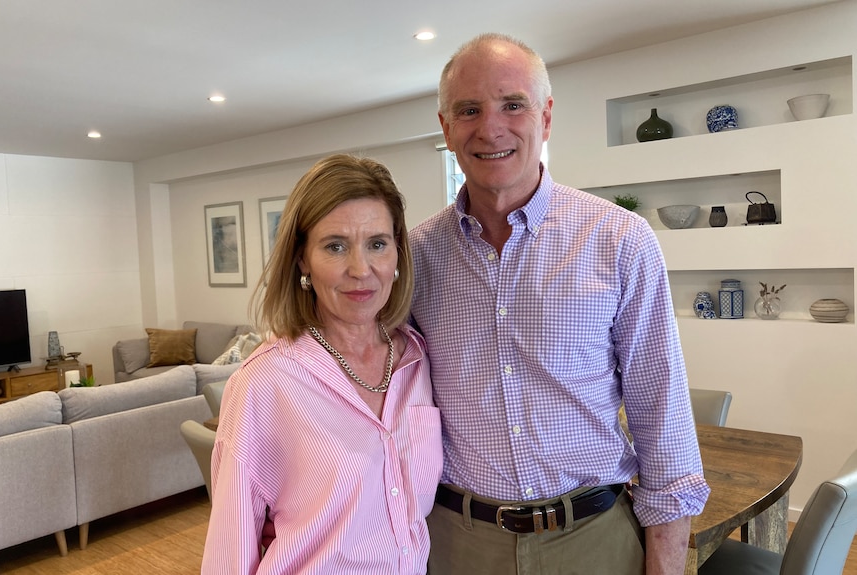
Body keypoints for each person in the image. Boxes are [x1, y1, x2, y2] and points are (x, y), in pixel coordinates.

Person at [408, 33, 710, 575]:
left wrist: (664, 563)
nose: (491, 127)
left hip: (595, 540)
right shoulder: (413, 257)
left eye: (512, 104)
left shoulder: (620, 240)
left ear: (545, 118)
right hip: (456, 543)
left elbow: (661, 414)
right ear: (446, 127)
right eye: (469, 110)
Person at [202, 154, 442, 574]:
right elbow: (230, 552)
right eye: (335, 246)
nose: (360, 269)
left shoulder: (417, 360)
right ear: (302, 260)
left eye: (377, 244)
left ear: (398, 254)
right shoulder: (264, 383)